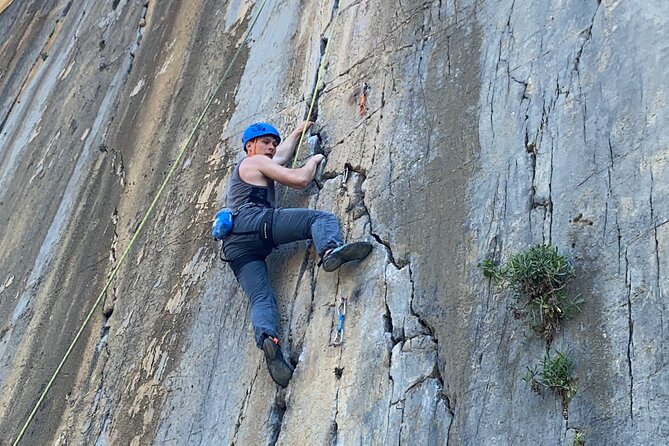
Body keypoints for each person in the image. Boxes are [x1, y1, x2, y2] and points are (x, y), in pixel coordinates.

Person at [222, 121, 373, 387]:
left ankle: (269, 340)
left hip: (235, 246)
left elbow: (281, 157)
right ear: (249, 146)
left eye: (273, 142)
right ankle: (329, 251)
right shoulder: (253, 162)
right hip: (255, 223)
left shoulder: (252, 166)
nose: (271, 147)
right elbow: (300, 180)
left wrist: (295, 133)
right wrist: (314, 159)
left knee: (260, 297)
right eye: (265, 142)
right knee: (320, 219)